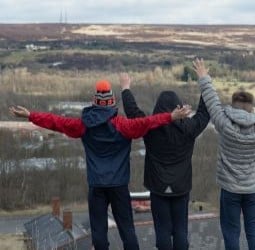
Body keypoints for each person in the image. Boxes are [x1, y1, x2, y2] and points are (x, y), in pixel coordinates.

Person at [9, 74, 192, 250]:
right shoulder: (123, 126)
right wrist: (170, 117)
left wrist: (31, 115)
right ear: (112, 103)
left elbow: (56, 122)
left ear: (94, 102)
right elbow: (148, 122)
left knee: (99, 232)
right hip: (119, 185)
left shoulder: (83, 125)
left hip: (97, 185)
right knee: (127, 230)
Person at [192, 58, 255, 250]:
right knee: (254, 229)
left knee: (231, 231)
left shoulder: (223, 123)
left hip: (229, 188)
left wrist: (204, 77)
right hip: (252, 188)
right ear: (251, 108)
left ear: (233, 105)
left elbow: (211, 100)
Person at [120, 73, 210, 250]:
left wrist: (125, 88)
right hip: (181, 187)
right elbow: (203, 114)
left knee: (162, 230)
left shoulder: (151, 128)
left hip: (158, 187)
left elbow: (133, 112)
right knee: (180, 231)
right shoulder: (189, 128)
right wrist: (205, 83)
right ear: (178, 107)